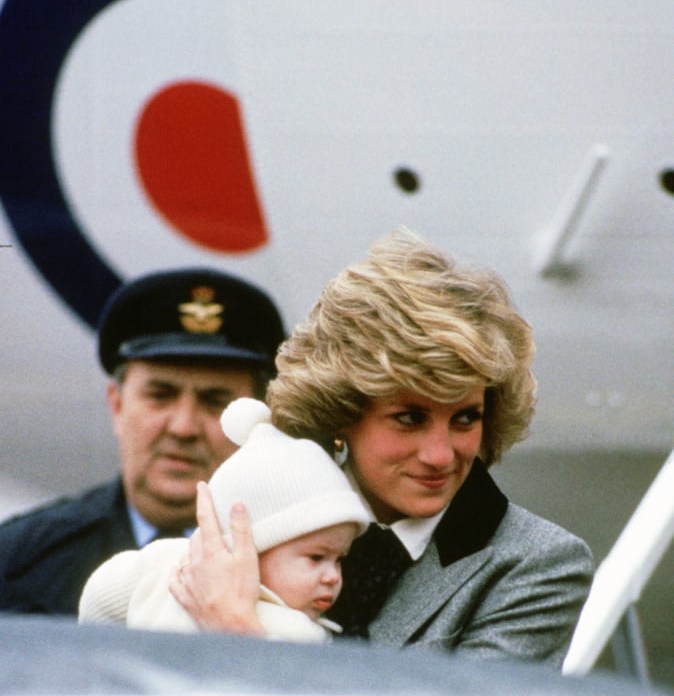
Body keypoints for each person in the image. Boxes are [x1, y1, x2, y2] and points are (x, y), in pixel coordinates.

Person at [171, 228, 593, 666]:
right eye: (410, 418)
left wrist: (238, 635)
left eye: (465, 418)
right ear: (341, 413)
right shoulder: (268, 509)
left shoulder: (536, 565)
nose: (441, 455)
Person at [0, 268, 285, 616]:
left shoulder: (304, 564)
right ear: (116, 404)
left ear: (257, 418)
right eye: (160, 396)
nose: (182, 428)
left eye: (214, 401)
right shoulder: (18, 561)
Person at [78, 398, 370, 642]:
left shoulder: (165, 562)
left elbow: (98, 596)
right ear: (248, 550)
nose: (333, 576)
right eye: (316, 557)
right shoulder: (298, 636)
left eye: (339, 559)